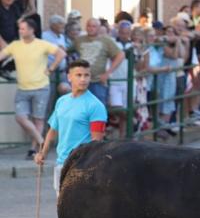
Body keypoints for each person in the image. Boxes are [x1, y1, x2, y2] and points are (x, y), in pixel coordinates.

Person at [36, 59, 107, 193]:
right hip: (61, 163)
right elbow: (53, 130)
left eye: (87, 75)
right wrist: (42, 153)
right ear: (69, 77)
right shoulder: (62, 101)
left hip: (81, 165)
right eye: (79, 75)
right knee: (61, 207)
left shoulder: (96, 106)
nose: (83, 79)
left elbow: (97, 143)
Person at [0, 15, 66, 157]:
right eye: (20, 29)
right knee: (20, 117)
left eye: (23, 29)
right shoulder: (15, 45)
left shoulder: (42, 44)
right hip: (22, 88)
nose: (20, 31)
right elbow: (2, 55)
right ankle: (42, 141)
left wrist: (51, 68)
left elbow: (61, 53)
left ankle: (33, 149)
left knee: (38, 119)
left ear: (32, 30)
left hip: (41, 87)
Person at [74, 17, 125, 105]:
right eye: (89, 26)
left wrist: (108, 73)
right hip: (81, 80)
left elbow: (120, 55)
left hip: (98, 80)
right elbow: (67, 50)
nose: (91, 28)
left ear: (98, 28)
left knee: (98, 109)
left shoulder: (106, 41)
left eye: (94, 26)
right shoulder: (79, 40)